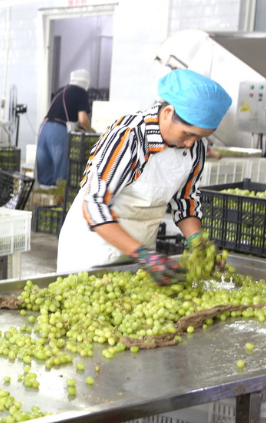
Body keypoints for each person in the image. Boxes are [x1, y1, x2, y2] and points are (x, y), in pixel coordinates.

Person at [57, 69, 232, 284]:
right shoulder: (129, 136)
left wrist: (196, 240)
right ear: (168, 113)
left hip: (144, 254)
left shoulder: (195, 149)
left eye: (200, 137)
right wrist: (142, 254)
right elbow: (94, 205)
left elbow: (186, 200)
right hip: (94, 250)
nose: (191, 143)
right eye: (188, 134)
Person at [36, 68, 94, 186]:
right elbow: (83, 119)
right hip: (58, 130)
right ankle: (59, 198)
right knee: (60, 168)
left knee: (45, 168)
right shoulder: (81, 92)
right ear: (86, 83)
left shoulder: (61, 90)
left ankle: (46, 197)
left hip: (44, 127)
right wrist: (91, 131)